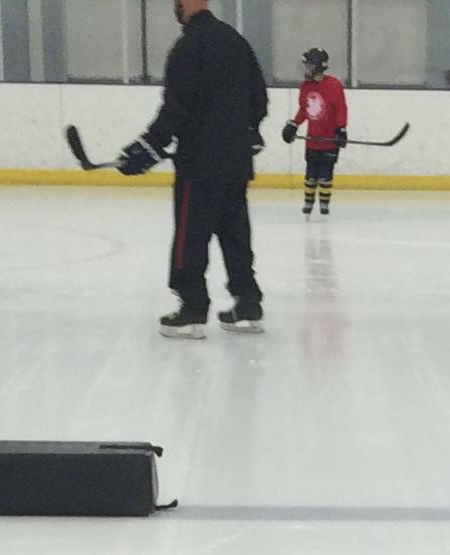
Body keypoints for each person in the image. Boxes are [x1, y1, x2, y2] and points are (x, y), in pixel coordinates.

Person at [113, 0, 268, 335]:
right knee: (235, 233)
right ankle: (248, 302)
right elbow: (259, 98)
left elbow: (176, 109)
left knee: (191, 236)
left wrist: (147, 147)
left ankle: (192, 310)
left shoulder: (187, 48)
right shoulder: (236, 42)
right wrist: (247, 130)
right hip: (236, 162)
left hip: (199, 165)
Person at [284, 46, 346, 217]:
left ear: (319, 66)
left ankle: (324, 203)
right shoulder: (305, 87)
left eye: (310, 65)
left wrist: (341, 128)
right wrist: (294, 124)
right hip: (312, 140)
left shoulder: (334, 85)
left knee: (326, 174)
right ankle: (309, 201)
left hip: (330, 140)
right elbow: (304, 109)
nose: (306, 69)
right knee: (311, 174)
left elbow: (341, 108)